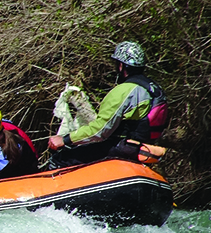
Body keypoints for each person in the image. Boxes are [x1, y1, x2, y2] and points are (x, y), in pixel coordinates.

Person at [47, 41, 168, 169]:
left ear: (121, 66)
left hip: (121, 148)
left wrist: (65, 140)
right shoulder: (155, 89)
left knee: (60, 159)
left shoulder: (125, 91)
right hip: (144, 148)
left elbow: (100, 130)